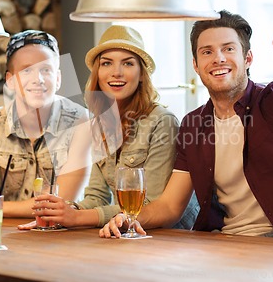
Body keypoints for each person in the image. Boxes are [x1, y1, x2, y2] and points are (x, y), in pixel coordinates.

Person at [100, 6, 273, 242]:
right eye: (207, 52)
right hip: (224, 243)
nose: (218, 58)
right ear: (196, 64)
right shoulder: (194, 124)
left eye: (228, 49)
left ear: (248, 57)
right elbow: (170, 206)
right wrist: (127, 219)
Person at [18, 25, 199, 230]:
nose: (116, 73)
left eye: (128, 63)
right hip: (124, 235)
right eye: (106, 63)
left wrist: (77, 218)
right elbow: (97, 197)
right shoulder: (99, 123)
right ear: (98, 72)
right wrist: (62, 212)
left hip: (170, 237)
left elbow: (149, 205)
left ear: (141, 74)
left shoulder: (162, 122)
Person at [0, 30, 91, 229]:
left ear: (58, 78)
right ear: (10, 80)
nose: (38, 79)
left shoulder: (81, 121)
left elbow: (62, 204)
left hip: (67, 236)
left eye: (46, 70)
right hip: (10, 235)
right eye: (27, 70)